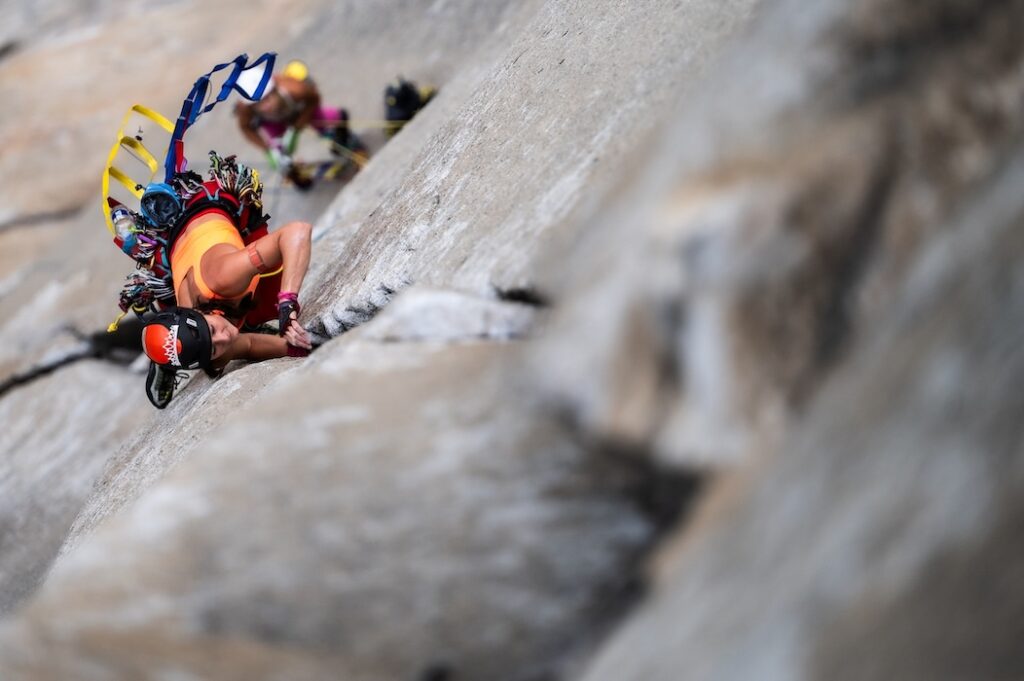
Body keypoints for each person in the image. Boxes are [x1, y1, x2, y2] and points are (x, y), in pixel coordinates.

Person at [136, 174, 314, 408]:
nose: (226, 337)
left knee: (266, 297)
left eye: (212, 329)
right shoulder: (208, 347)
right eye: (214, 345)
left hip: (204, 207)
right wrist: (301, 347)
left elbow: (297, 232)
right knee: (221, 353)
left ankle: (166, 360)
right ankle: (165, 357)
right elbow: (248, 345)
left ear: (199, 316)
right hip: (177, 262)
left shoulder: (223, 277)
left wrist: (287, 303)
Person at [233, 60, 365, 188]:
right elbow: (246, 128)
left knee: (335, 120)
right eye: (258, 104)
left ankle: (348, 144)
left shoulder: (294, 89)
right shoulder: (244, 108)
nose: (266, 106)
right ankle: (296, 176)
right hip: (274, 123)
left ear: (275, 90)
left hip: (302, 111)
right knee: (280, 158)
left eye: (267, 98)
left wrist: (298, 125)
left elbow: (314, 98)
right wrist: (267, 148)